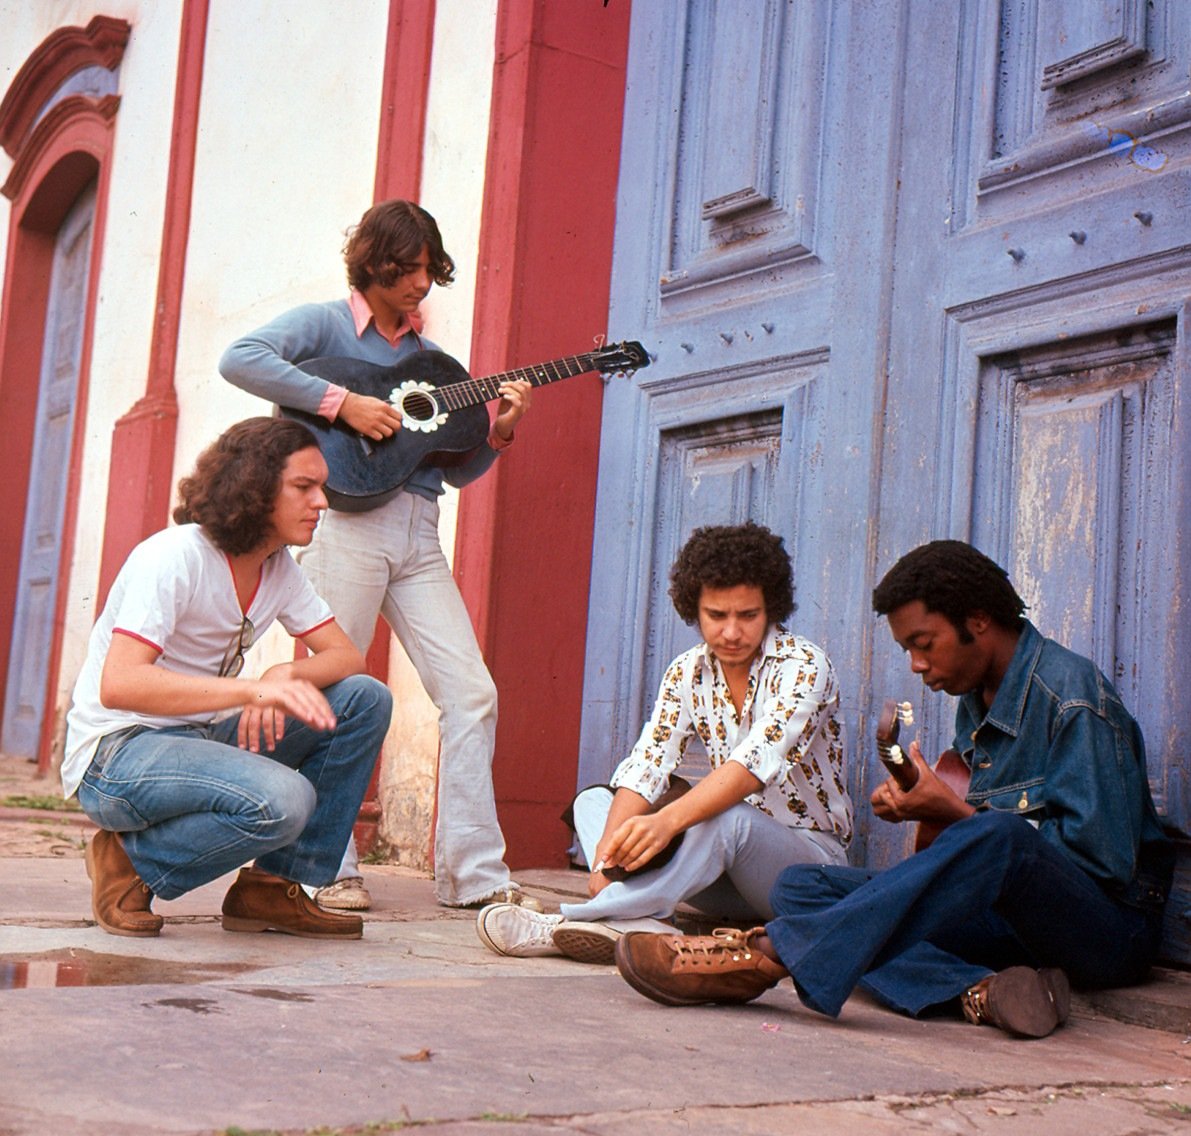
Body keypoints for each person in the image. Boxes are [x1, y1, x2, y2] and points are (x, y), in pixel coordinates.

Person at [614, 540, 1174, 1039]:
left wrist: (955, 813)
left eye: (924, 643)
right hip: (1016, 929)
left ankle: (767, 956)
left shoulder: (1071, 697)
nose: (916, 664)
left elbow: (1095, 866)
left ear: (977, 620)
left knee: (994, 837)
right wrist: (927, 806)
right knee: (801, 889)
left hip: (1107, 933)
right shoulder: (979, 698)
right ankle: (982, 993)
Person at [219, 199, 535, 913]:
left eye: (430, 267)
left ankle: (474, 874)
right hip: (347, 527)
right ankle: (323, 864)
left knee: (471, 691)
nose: (422, 281)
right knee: (334, 688)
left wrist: (500, 433)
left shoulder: (429, 360)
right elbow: (240, 358)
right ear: (375, 263)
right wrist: (340, 403)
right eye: (409, 267)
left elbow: (450, 467)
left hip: (419, 530)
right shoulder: (326, 323)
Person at [64, 417, 393, 940]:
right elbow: (121, 683)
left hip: (196, 740)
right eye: (303, 487)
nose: (323, 502)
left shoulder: (278, 567)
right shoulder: (175, 557)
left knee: (363, 699)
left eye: (321, 487)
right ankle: (129, 861)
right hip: (118, 755)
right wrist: (252, 690)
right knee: (283, 801)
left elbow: (346, 656)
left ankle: (270, 889)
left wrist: (285, 670)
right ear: (256, 488)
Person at [475, 522, 853, 964]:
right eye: (717, 615)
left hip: (802, 873)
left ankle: (578, 921)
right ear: (694, 609)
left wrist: (667, 823)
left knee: (725, 816)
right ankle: (641, 921)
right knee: (594, 804)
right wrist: (605, 859)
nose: (731, 632)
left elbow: (752, 766)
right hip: (717, 877)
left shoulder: (805, 666)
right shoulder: (687, 671)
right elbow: (648, 764)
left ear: (771, 609)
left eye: (747, 615)